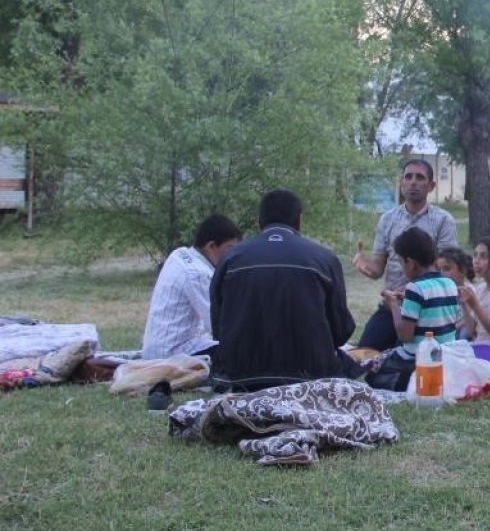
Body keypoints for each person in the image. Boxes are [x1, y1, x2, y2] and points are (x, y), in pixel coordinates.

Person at [210, 189, 361, 392]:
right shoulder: (324, 259)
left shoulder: (230, 258)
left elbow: (219, 328)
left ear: (258, 222)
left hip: (240, 376)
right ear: (299, 221)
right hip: (310, 376)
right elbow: (341, 331)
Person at [352, 159, 458, 350]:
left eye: (420, 177)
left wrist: (413, 290)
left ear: (431, 185)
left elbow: (445, 269)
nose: (413, 182)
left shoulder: (443, 221)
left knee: (415, 366)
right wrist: (363, 265)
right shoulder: (388, 219)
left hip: (427, 310)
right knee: (364, 355)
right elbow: (377, 270)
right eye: (408, 177)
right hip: (392, 307)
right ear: (401, 183)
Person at [365, 228, 461, 392]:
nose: (402, 267)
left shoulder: (414, 288)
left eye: (401, 262)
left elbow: (405, 335)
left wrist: (393, 305)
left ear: (410, 262)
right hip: (446, 356)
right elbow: (438, 313)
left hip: (417, 358)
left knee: (370, 367)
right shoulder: (450, 284)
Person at [141, 215, 242, 361]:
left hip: (158, 347)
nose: (232, 255)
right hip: (172, 354)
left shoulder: (180, 254)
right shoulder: (198, 274)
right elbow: (219, 324)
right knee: (239, 351)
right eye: (230, 249)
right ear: (211, 246)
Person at [435, 246, 475, 339]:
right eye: (439, 270)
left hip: (460, 331)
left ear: (463, 270)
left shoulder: (468, 290)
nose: (441, 274)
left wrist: (450, 328)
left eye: (446, 269)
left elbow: (468, 319)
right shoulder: (442, 290)